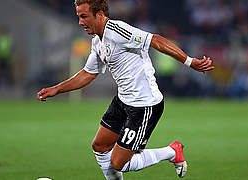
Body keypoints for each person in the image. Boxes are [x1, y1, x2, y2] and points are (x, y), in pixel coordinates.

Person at [37, 0, 214, 179]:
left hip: (144, 105)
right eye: (79, 17)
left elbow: (155, 40)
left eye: (84, 16)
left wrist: (190, 62)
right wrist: (56, 89)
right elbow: (88, 73)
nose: (80, 22)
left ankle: (172, 152)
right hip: (122, 101)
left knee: (119, 163)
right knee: (100, 146)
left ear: (99, 15)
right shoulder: (97, 41)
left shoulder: (117, 31)